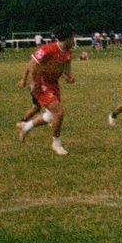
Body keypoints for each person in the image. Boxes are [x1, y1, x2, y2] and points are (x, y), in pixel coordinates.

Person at [16, 26, 76, 155]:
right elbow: (32, 64)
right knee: (59, 112)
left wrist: (68, 76)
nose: (74, 39)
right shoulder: (48, 49)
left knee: (50, 116)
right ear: (67, 38)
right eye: (73, 37)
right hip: (41, 83)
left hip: (53, 84)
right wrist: (28, 80)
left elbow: (65, 65)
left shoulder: (68, 51)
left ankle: (25, 126)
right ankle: (56, 144)